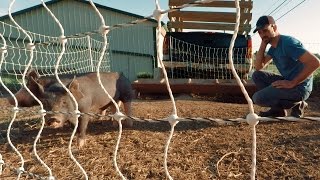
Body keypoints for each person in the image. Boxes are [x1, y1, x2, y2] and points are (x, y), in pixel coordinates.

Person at [252, 15, 320, 118]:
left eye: (265, 31)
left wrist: (293, 83)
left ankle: (298, 103)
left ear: (274, 28)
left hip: (300, 88)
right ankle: (277, 110)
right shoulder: (273, 48)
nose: (262, 35)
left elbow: (315, 62)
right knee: (257, 75)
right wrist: (263, 45)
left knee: (258, 98)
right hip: (288, 81)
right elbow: (258, 67)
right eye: (260, 33)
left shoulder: (288, 43)